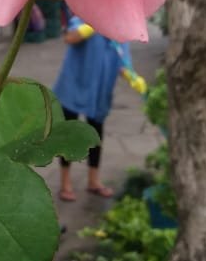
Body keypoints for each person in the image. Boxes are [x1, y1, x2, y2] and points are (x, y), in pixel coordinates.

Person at [52, 14, 147, 202]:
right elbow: (70, 37)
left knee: (96, 135)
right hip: (74, 85)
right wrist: (90, 27)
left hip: (99, 91)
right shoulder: (88, 14)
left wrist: (132, 78)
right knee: (69, 135)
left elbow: (122, 61)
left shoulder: (121, 30)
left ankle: (93, 181)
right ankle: (65, 183)